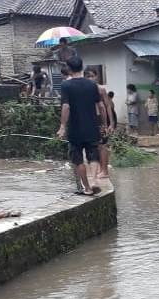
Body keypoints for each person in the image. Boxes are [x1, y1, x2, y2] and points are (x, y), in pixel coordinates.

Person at [57, 55, 107, 195]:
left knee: (78, 159)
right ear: (81, 67)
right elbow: (101, 107)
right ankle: (94, 180)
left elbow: (66, 107)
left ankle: (87, 188)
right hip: (92, 127)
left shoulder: (66, 85)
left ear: (69, 68)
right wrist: (103, 124)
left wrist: (62, 126)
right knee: (93, 155)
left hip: (75, 128)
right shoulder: (92, 85)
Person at [85, 66, 114, 179]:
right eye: (88, 76)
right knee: (95, 146)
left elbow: (107, 106)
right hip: (91, 119)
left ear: (96, 77)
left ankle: (104, 170)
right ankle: (100, 169)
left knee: (103, 145)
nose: (91, 78)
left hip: (101, 119)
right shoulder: (85, 89)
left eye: (92, 76)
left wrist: (110, 123)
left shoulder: (101, 89)